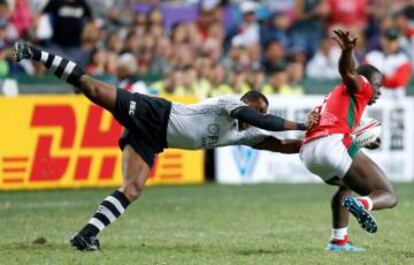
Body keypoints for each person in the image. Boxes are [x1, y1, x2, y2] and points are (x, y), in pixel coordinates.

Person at [13, 41, 316, 251]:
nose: (258, 115)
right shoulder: (229, 104)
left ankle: (86, 235)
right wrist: (304, 123)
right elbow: (270, 123)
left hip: (156, 139)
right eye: (258, 108)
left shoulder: (244, 134)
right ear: (247, 102)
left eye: (261, 111)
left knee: (132, 189)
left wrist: (314, 140)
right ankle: (35, 53)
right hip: (154, 112)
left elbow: (280, 145)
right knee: (91, 88)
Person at [300, 29, 398, 252]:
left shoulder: (333, 97)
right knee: (388, 195)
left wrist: (359, 139)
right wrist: (348, 51)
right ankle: (364, 204)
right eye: (379, 86)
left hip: (309, 154)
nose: (379, 92)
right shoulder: (360, 85)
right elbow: (348, 73)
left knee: (345, 187)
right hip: (332, 146)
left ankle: (338, 241)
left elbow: (328, 123)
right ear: (367, 81)